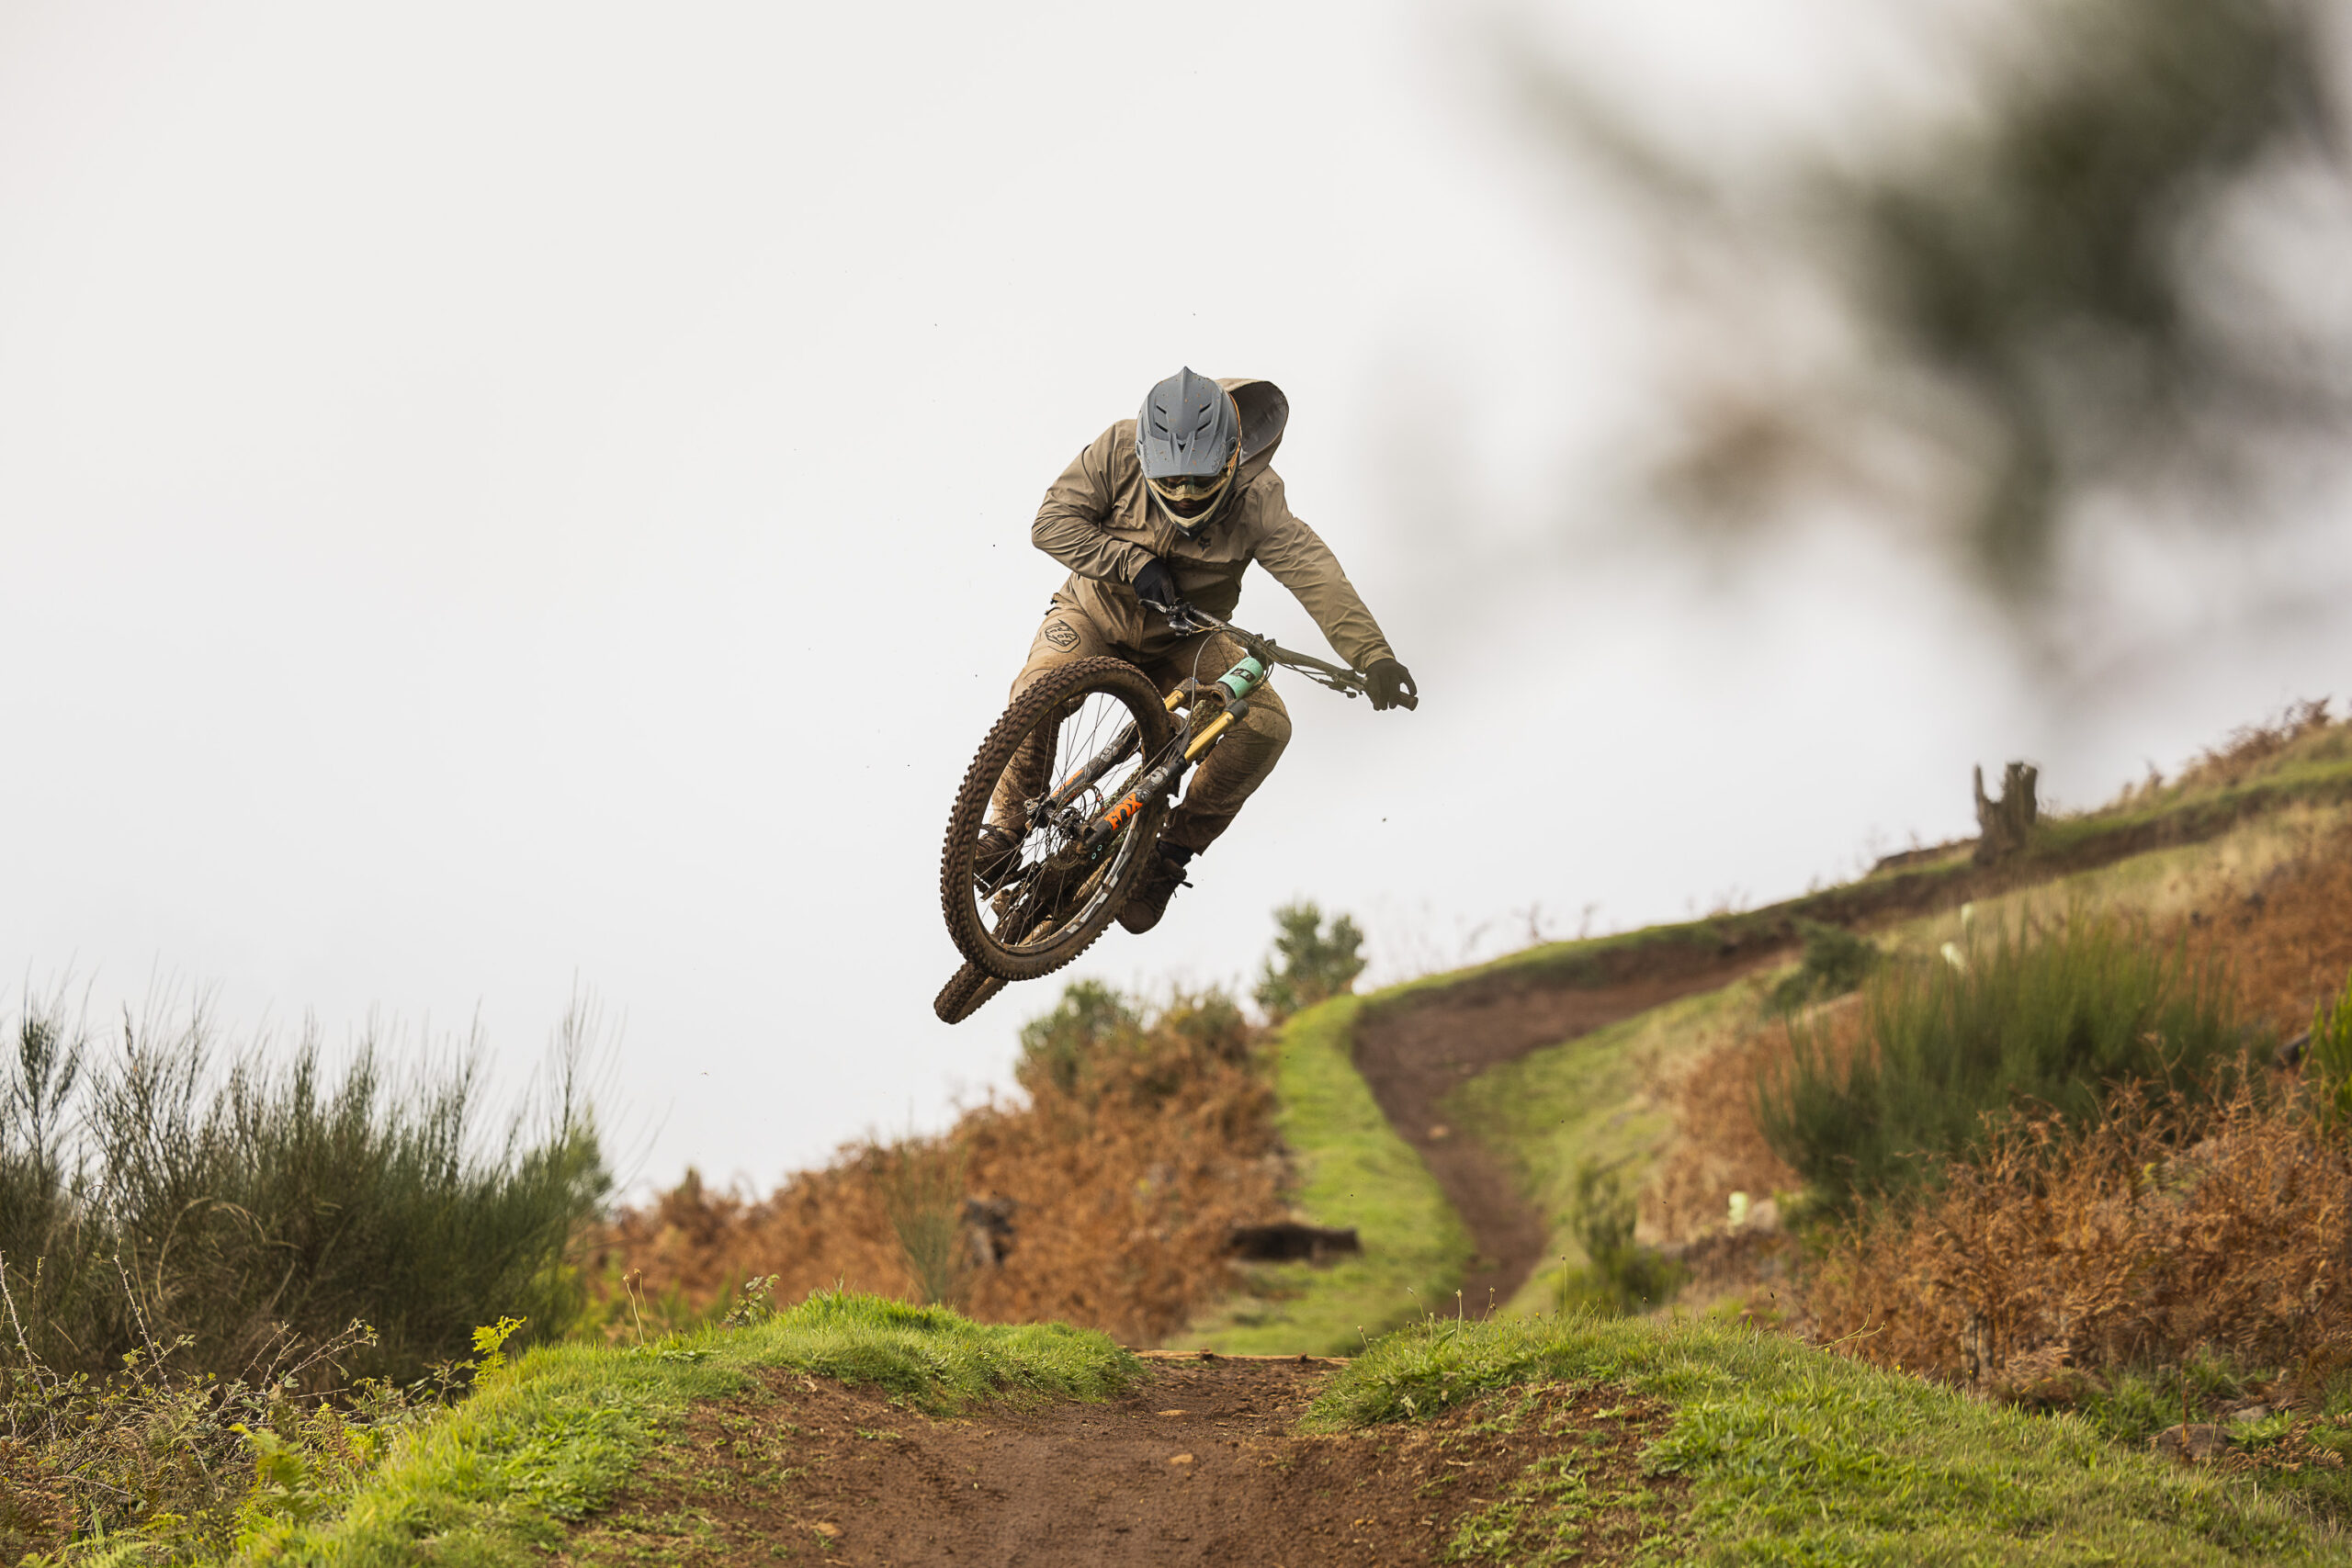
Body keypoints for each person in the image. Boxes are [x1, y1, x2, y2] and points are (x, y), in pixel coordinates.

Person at [983, 367, 1416, 935]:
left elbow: (1316, 573)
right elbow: (1051, 524)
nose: (1186, 494)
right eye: (1172, 481)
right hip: (1092, 614)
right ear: (1145, 455)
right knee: (1039, 688)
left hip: (1186, 637)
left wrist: (1374, 656)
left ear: (1232, 457)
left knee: (1265, 727)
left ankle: (1165, 858)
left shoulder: (1260, 499)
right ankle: (1006, 828)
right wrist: (1132, 562)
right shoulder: (1116, 449)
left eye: (1200, 479)